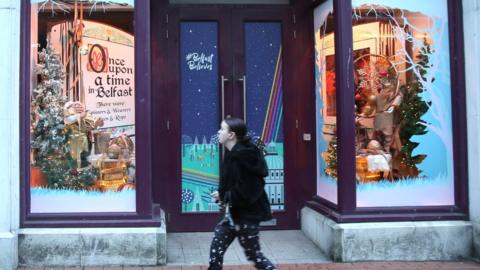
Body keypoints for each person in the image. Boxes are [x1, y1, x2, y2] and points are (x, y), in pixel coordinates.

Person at [209, 117, 276, 270]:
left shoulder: (244, 157)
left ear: (231, 135)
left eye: (222, 129)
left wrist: (225, 196)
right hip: (232, 215)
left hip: (247, 216)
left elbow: (249, 190)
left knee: (255, 256)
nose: (219, 132)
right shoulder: (232, 154)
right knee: (216, 252)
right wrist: (221, 193)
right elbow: (231, 184)